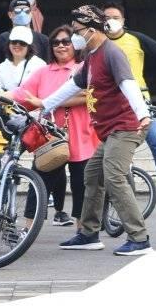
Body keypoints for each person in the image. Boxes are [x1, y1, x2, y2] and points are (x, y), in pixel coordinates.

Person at [40, 5, 156, 256]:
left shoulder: (111, 53)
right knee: (92, 175)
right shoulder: (92, 55)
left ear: (92, 31)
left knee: (113, 175)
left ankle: (140, 238)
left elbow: (128, 83)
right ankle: (88, 233)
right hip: (111, 130)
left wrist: (143, 114)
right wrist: (41, 108)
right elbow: (71, 86)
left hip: (127, 126)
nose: (74, 37)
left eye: (77, 31)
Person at [100, 0, 156, 199]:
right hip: (110, 104)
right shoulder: (98, 43)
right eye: (107, 18)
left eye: (115, 18)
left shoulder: (135, 39)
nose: (111, 21)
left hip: (140, 100)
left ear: (123, 20)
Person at [10, 25, 95, 227]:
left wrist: (46, 101)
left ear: (75, 45)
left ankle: (82, 232)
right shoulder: (43, 72)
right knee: (38, 182)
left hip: (82, 136)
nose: (61, 46)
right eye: (56, 43)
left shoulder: (84, 68)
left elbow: (89, 95)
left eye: (66, 42)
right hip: (50, 138)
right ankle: (26, 229)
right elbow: (22, 94)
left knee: (80, 185)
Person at [0, 0, 51, 72]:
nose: (22, 14)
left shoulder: (43, 40)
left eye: (27, 11)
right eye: (18, 11)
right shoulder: (0, 40)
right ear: (10, 15)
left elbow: (49, 69)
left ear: (31, 14)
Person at [0, 24, 46, 92]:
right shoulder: (2, 67)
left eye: (22, 43)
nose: (17, 45)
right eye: (14, 42)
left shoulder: (39, 65)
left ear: (29, 46)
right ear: (9, 44)